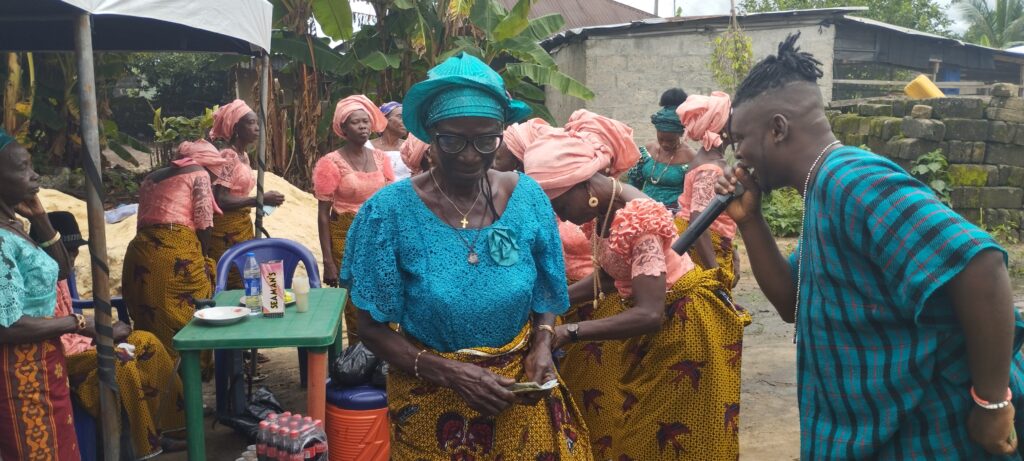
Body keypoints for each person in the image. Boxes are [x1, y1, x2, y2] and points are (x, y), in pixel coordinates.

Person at [718, 33, 1024, 459]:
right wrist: (750, 221)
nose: (738, 156)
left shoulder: (850, 180)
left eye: (740, 140)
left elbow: (981, 266)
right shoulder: (821, 191)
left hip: (927, 436)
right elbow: (792, 301)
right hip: (883, 435)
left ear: (777, 129)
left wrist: (992, 403)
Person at [340, 52, 592, 460]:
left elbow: (545, 293)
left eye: (486, 140)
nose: (470, 155)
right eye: (452, 140)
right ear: (430, 135)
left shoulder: (527, 198)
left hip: (517, 398)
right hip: (431, 402)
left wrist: (543, 345)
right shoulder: (389, 213)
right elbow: (370, 328)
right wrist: (452, 374)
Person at [524, 118, 750, 460]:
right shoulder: (603, 211)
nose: (563, 217)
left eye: (561, 206)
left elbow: (649, 313)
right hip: (660, 328)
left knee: (666, 441)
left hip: (685, 328)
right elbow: (611, 277)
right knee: (637, 432)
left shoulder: (638, 218)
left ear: (583, 186)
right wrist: (552, 304)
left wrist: (567, 331)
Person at [35, 211, 188, 458]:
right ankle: (143, 446)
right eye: (67, 252)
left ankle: (173, 428)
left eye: (74, 252)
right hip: (60, 357)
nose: (71, 259)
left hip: (83, 343)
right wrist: (101, 331)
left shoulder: (60, 275)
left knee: (147, 342)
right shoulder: (33, 279)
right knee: (122, 363)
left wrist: (102, 333)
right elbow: (51, 327)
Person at [0, 129, 82, 460]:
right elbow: (8, 326)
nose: (35, 175)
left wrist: (40, 217)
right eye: (23, 168)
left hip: (44, 363)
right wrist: (77, 322)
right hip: (18, 372)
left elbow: (61, 271)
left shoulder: (13, 227)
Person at [124, 140, 221, 377]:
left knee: (151, 322)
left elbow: (142, 222)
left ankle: (156, 381)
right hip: (175, 252)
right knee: (190, 319)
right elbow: (204, 221)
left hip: (140, 253)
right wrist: (203, 257)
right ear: (207, 164)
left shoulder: (151, 177)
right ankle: (187, 383)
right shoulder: (198, 173)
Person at [314, 95, 395, 345]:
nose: (362, 126)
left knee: (385, 290)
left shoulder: (381, 159)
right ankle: (357, 354)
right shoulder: (331, 163)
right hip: (345, 236)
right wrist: (328, 261)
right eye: (355, 122)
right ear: (343, 128)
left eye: (365, 121)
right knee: (354, 298)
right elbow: (323, 214)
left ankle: (387, 353)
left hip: (379, 234)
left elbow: (390, 201)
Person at [207, 99, 286, 288]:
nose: (257, 128)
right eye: (251, 123)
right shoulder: (228, 156)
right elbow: (220, 199)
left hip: (241, 224)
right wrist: (259, 199)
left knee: (247, 276)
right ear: (236, 128)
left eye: (257, 122)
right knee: (234, 278)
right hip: (225, 230)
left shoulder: (243, 156)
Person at [674, 91, 740, 287]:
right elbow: (699, 224)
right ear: (722, 128)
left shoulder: (707, 159)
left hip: (708, 243)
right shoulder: (711, 169)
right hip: (704, 249)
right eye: (732, 120)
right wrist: (714, 274)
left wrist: (733, 251)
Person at [626, 88, 696, 211]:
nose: (665, 144)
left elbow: (692, 196)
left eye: (671, 140)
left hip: (675, 215)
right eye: (661, 139)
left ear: (681, 134)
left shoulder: (691, 157)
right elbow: (633, 183)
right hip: (643, 211)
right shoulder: (647, 151)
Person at [370, 101, 412, 180]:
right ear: (385, 119)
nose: (405, 121)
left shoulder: (410, 147)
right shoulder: (368, 147)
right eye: (400, 117)